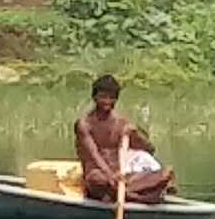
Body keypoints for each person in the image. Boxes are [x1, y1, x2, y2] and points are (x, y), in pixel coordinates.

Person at [73, 74, 174, 204]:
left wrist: (136, 134)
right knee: (98, 179)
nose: (107, 102)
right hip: (100, 176)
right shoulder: (85, 124)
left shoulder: (121, 123)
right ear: (94, 97)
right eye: (103, 97)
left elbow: (150, 149)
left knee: (167, 173)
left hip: (123, 178)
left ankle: (127, 194)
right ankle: (139, 196)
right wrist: (110, 176)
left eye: (112, 98)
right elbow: (94, 155)